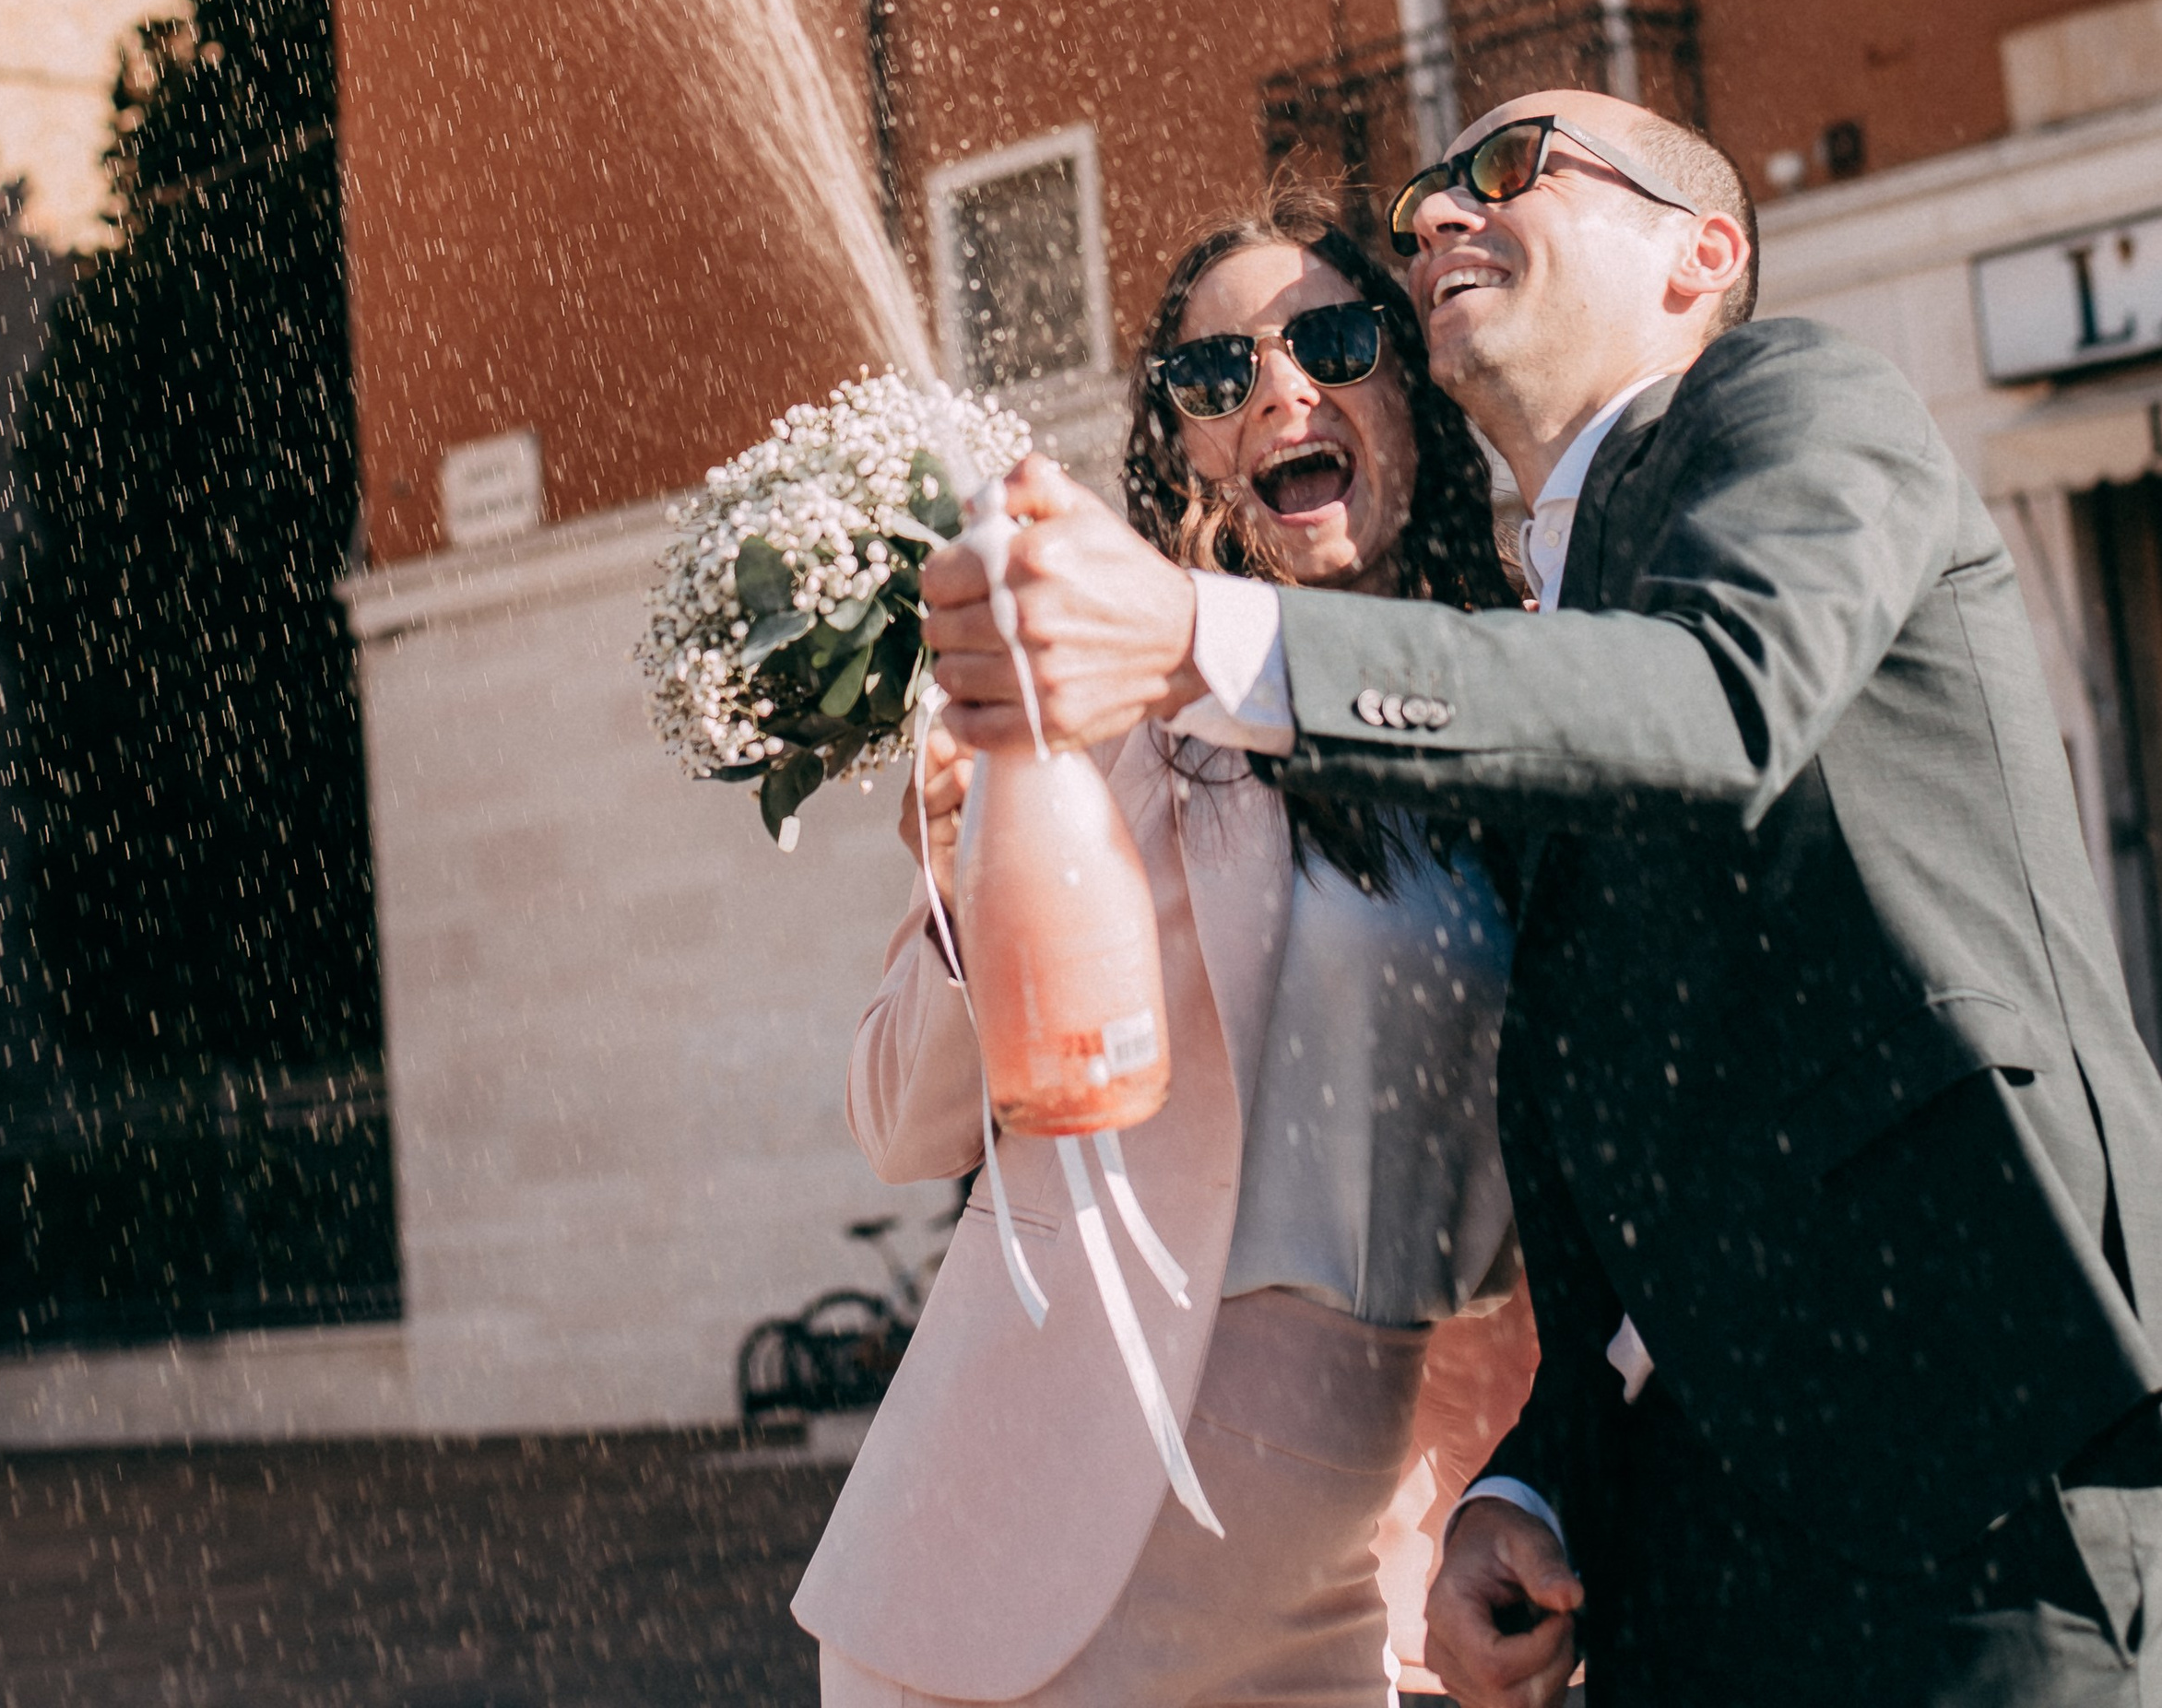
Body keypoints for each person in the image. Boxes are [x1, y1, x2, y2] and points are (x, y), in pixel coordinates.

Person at [924, 94, 2162, 1708]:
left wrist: (1206, 640)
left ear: (1696, 254)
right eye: (1431, 194)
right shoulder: (1532, 646)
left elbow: (1721, 700)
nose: (1438, 215)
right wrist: (1535, 1481)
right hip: (1679, 1568)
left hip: (1977, 1474)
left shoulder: (1796, 402)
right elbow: (1620, 1160)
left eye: (1508, 171)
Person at [795, 197, 1538, 1708]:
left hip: (1348, 1596)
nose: (1281, 393)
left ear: (1407, 383)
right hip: (1019, 1595)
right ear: (1188, 450)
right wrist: (969, 860)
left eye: (1333, 341)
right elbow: (905, 1123)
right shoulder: (1125, 724)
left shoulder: (1516, 701)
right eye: (1217, 378)